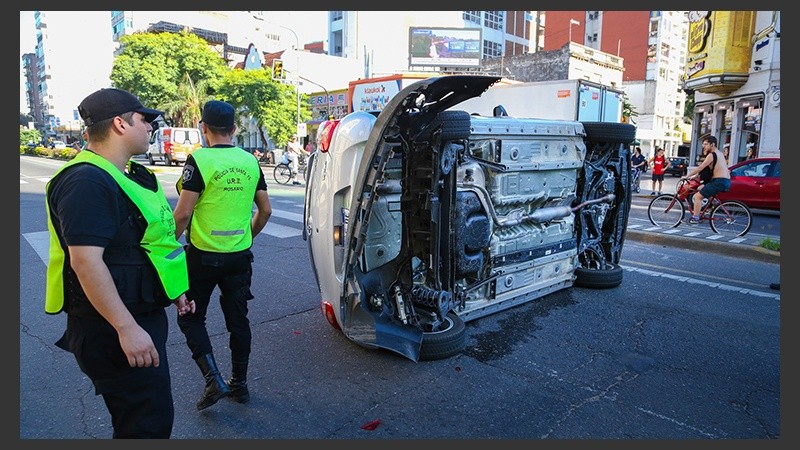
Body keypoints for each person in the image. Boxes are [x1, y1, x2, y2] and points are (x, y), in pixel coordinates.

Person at [44, 87, 195, 438]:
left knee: (148, 418)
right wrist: (125, 328)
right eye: (145, 119)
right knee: (145, 426)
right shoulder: (86, 180)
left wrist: (174, 290)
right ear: (119, 124)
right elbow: (85, 262)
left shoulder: (122, 176)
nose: (151, 127)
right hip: (112, 327)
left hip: (135, 315)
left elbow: (143, 244)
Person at [172, 100, 272, 410]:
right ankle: (239, 386)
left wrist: (164, 252)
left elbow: (184, 214)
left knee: (190, 316)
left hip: (202, 258)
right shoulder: (250, 162)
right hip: (239, 258)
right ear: (234, 129)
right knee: (238, 321)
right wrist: (247, 237)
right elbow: (265, 210)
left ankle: (213, 378)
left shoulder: (199, 160)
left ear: (203, 128)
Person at [683, 135, 731, 224]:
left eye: (705, 144)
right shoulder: (720, 154)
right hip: (725, 181)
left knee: (697, 197)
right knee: (700, 188)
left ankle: (695, 218)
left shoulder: (712, 155)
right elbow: (707, 169)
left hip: (719, 181)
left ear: (712, 145)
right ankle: (713, 204)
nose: (703, 146)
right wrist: (696, 176)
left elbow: (700, 167)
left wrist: (687, 176)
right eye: (703, 144)